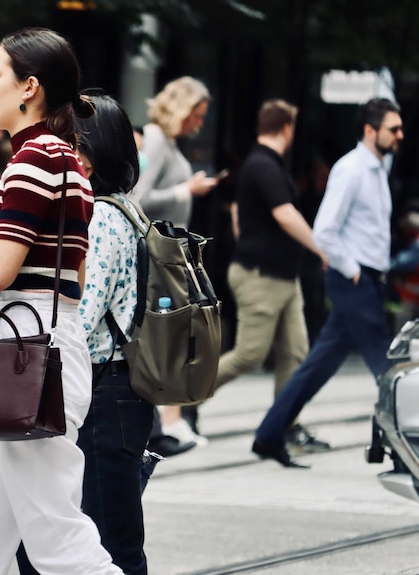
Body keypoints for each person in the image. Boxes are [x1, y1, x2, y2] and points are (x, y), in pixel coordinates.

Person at [0, 28, 123, 574]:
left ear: (29, 88)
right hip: (36, 350)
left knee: (57, 540)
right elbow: (75, 281)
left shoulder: (34, 161)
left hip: (24, 357)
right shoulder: (64, 162)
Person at [253, 97, 403, 468]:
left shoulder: (377, 170)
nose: (400, 135)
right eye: (393, 129)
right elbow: (325, 230)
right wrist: (351, 269)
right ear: (371, 131)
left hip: (366, 278)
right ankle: (406, 450)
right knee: (385, 366)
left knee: (318, 364)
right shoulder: (351, 170)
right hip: (354, 279)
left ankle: (269, 434)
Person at [189, 100, 330, 451]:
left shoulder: (265, 167)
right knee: (249, 355)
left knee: (295, 353)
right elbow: (285, 214)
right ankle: (182, 405)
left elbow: (239, 210)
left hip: (283, 276)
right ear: (287, 128)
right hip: (261, 277)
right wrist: (322, 250)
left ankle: (285, 424)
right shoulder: (263, 165)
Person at [74, 89, 153, 573]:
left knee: (112, 542)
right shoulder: (127, 208)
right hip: (119, 389)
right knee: (104, 532)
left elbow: (84, 319)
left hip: (105, 391)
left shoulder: (102, 216)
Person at [131, 75, 219, 451]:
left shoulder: (167, 142)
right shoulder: (154, 139)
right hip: (158, 254)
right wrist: (187, 190)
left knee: (175, 333)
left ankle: (172, 419)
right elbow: (138, 196)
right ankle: (168, 421)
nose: (198, 124)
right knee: (169, 333)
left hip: (171, 253)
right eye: (196, 115)